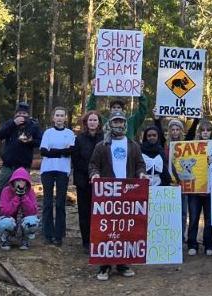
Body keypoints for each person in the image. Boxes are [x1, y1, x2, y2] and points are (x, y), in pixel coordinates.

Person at [89, 111, 147, 281]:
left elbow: (140, 165)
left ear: (125, 124)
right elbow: (93, 165)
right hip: (108, 194)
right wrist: (94, 175)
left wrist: (142, 174)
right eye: (115, 121)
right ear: (110, 124)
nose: (119, 125)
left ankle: (122, 263)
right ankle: (104, 265)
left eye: (121, 121)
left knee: (125, 229)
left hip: (127, 194)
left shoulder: (133, 145)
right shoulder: (102, 146)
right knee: (107, 229)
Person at [0, 102, 42, 226]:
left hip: (23, 166)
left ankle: (25, 216)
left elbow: (40, 141)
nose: (22, 116)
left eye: (24, 113)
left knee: (24, 191)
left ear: (28, 114)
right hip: (8, 164)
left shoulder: (33, 126)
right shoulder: (9, 123)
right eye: (20, 113)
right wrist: (13, 124)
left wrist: (30, 141)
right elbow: (0, 135)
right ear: (16, 114)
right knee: (1, 189)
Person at [154, 113, 200, 243]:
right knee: (168, 211)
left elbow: (191, 132)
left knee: (182, 212)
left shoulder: (185, 143)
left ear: (181, 130)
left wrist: (196, 118)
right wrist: (157, 120)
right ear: (169, 131)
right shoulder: (165, 144)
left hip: (182, 183)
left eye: (177, 129)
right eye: (172, 129)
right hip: (168, 183)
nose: (175, 132)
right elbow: (158, 131)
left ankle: (180, 238)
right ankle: (169, 237)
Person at [40, 107, 75, 247]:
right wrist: (61, 151)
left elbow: (70, 151)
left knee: (60, 203)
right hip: (47, 170)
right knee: (48, 202)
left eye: (62, 115)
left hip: (63, 170)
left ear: (65, 118)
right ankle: (47, 233)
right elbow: (43, 152)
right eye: (57, 115)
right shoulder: (48, 133)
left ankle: (59, 234)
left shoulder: (70, 133)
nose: (59, 118)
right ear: (53, 118)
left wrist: (53, 151)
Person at [72, 111, 104, 251]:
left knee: (99, 213)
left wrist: (97, 173)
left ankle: (99, 240)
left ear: (99, 122)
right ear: (86, 122)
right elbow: (76, 159)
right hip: (83, 181)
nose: (92, 122)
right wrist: (89, 172)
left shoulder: (104, 138)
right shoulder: (79, 139)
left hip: (101, 182)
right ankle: (86, 241)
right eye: (90, 120)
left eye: (95, 120)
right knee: (84, 212)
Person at [187, 120, 212, 256]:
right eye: (203, 130)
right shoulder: (192, 146)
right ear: (199, 132)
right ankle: (192, 244)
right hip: (195, 190)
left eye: (208, 130)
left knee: (209, 219)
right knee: (193, 218)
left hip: (211, 190)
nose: (205, 132)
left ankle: (209, 244)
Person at [0, 167, 39, 250]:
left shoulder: (30, 192)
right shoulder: (6, 191)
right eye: (18, 180)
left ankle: (25, 239)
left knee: (32, 221)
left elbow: (32, 211)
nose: (21, 183)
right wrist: (16, 198)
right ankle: (6, 239)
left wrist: (24, 197)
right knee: (4, 222)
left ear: (27, 182)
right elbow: (4, 212)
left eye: (23, 181)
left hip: (24, 221)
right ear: (13, 181)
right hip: (11, 221)